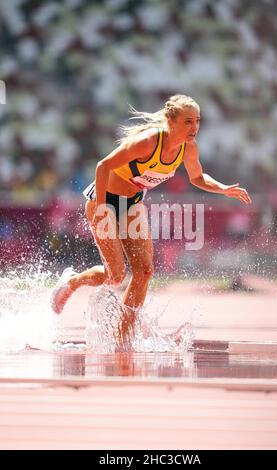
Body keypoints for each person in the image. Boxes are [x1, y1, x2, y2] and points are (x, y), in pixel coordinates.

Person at [50, 94, 251, 346]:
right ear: (171, 121)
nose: (194, 127)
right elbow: (103, 166)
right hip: (105, 200)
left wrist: (223, 189)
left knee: (144, 271)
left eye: (198, 121)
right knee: (115, 275)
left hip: (132, 203)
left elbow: (198, 178)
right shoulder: (147, 142)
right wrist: (102, 208)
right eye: (188, 121)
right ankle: (72, 281)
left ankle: (124, 337)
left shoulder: (188, 148)